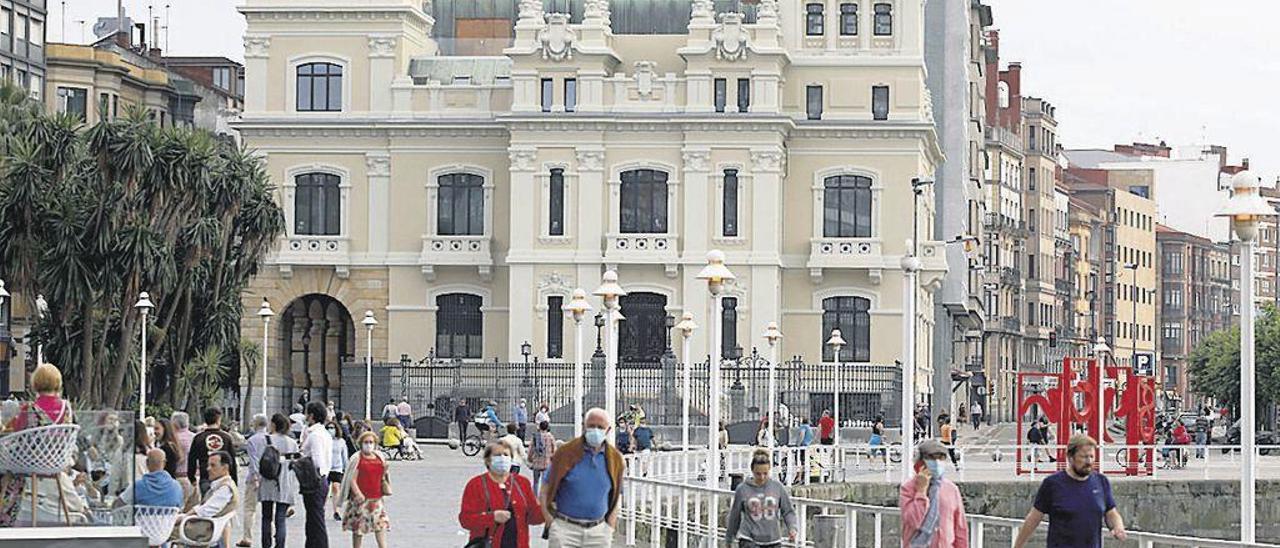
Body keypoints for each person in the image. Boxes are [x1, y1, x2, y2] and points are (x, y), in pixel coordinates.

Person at [1013, 435, 1127, 548]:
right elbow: (1033, 519)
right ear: (1070, 457)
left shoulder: (1101, 482)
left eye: (1092, 456)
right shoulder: (1052, 484)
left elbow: (1111, 512)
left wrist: (1118, 527)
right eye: (1083, 457)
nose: (1089, 461)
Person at [540, 408, 625, 548]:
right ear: (584, 427)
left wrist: (609, 528)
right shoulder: (566, 454)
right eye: (591, 426)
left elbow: (616, 496)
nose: (595, 430)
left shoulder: (615, 460)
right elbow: (545, 489)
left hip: (598, 532)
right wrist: (550, 521)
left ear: (608, 430)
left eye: (600, 427)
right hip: (565, 529)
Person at [460, 441, 544, 548]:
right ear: (488, 460)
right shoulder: (476, 484)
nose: (502, 458)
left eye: (506, 455)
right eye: (497, 455)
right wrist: (492, 517)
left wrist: (547, 508)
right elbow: (465, 520)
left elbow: (533, 517)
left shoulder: (522, 483)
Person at [899, 439, 969, 547]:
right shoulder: (908, 488)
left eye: (941, 458)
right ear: (921, 461)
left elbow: (960, 528)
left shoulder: (951, 489)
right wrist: (921, 491)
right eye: (931, 458)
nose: (936, 462)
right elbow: (912, 521)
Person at [725, 448, 798, 548]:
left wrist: (792, 528)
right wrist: (729, 538)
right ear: (752, 471)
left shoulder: (777, 487)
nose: (762, 477)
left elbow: (788, 511)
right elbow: (735, 516)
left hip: (773, 540)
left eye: (765, 473)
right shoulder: (742, 489)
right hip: (749, 539)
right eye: (758, 474)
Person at [175, 451, 241, 547]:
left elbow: (206, 510)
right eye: (208, 465)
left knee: (160, 531)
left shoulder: (225, 488)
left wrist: (183, 517)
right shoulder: (220, 485)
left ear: (225, 467)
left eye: (213, 465)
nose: (208, 469)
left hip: (203, 530)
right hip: (203, 527)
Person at [338, 432, 392, 548]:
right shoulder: (357, 459)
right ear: (360, 443)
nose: (368, 445)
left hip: (376, 499)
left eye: (371, 442)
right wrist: (358, 493)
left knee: (380, 526)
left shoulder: (380, 457)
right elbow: (351, 479)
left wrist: (385, 473)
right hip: (361, 500)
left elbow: (382, 476)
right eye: (366, 442)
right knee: (358, 529)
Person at [258, 414, 300, 548]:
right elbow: (296, 463)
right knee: (280, 518)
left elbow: (259, 460)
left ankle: (266, 544)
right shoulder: (292, 443)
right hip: (285, 481)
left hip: (267, 480)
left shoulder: (266, 440)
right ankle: (280, 545)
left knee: (266, 516)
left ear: (274, 424)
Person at [300, 401, 334, 548]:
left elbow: (317, 461)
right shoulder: (324, 433)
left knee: (316, 518)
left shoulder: (315, 436)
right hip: (322, 479)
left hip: (315, 480)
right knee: (312, 518)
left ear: (312, 416)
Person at [189, 407, 239, 498]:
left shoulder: (199, 438)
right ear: (218, 419)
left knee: (207, 503)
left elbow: (192, 459)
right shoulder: (226, 438)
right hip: (223, 478)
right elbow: (232, 460)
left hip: (205, 475)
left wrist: (191, 477)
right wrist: (234, 479)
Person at [236, 414, 268, 547]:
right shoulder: (270, 438)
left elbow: (254, 460)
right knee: (268, 509)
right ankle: (270, 533)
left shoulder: (253, 440)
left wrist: (255, 476)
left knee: (249, 508)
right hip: (268, 478)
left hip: (254, 477)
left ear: (256, 424)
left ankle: (247, 537)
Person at [171, 411, 197, 508]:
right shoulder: (194, 437)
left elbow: (177, 459)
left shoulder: (174, 439)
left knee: (178, 509)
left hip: (179, 477)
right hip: (193, 478)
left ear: (175, 424)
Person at [329, 420, 352, 522]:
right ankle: (321, 509)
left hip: (337, 468)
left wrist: (346, 468)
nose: (330, 430)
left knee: (336, 488)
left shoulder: (341, 442)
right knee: (324, 490)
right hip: (326, 468)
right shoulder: (325, 440)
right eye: (328, 428)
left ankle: (336, 510)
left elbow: (344, 456)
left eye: (332, 428)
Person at [527, 421, 556, 497]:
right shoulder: (551, 437)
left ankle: (534, 496)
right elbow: (554, 449)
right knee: (544, 481)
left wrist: (529, 458)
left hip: (536, 462)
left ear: (539, 427)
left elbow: (531, 449)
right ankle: (543, 496)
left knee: (536, 481)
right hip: (547, 462)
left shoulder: (535, 437)